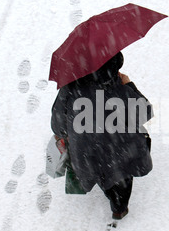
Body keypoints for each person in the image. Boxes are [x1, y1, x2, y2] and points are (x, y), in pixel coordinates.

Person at [51, 52, 153, 220]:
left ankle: (106, 187)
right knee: (122, 179)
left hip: (88, 151)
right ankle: (119, 208)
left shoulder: (69, 88)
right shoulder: (118, 87)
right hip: (121, 148)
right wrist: (128, 85)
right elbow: (145, 112)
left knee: (100, 172)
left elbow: (58, 124)